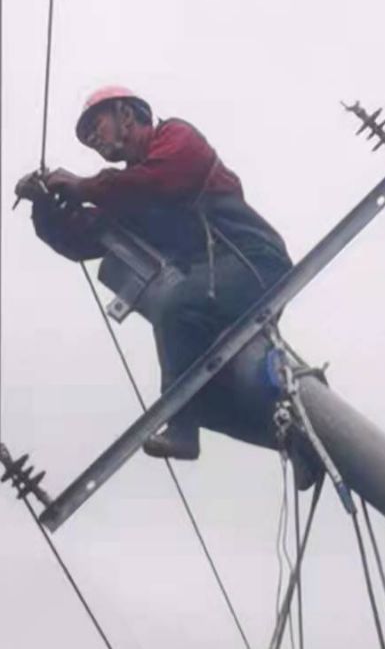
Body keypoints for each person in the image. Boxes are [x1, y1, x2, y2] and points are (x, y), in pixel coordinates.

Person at [15, 86, 293, 460]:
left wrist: (83, 186)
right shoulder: (127, 192)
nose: (93, 139)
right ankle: (294, 441)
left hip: (255, 261)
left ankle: (181, 430)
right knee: (201, 394)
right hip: (216, 282)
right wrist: (45, 209)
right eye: (87, 136)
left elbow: (161, 179)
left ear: (126, 114)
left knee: (177, 307)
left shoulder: (176, 137)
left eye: (96, 126)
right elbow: (85, 238)